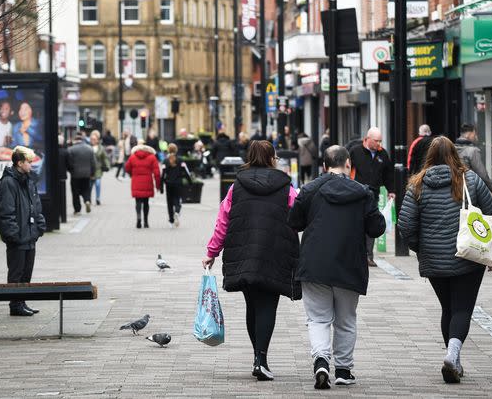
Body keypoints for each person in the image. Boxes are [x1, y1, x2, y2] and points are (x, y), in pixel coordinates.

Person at [397, 136, 492, 384]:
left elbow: (406, 225)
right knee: (463, 309)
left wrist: (420, 248)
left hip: (434, 260)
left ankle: (453, 359)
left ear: (429, 157)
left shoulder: (417, 185)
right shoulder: (471, 180)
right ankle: (453, 355)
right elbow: (491, 215)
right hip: (469, 256)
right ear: (455, 154)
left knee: (448, 308)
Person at [288, 145, 385, 389]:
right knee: (346, 320)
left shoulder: (310, 190)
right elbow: (376, 228)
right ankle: (343, 369)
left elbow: (294, 222)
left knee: (318, 319)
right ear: (349, 164)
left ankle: (321, 359)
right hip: (349, 264)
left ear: (324, 166)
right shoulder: (362, 192)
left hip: (314, 264)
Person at [202, 140, 301, 381]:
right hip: (274, 252)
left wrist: (212, 252)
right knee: (268, 305)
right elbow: (299, 215)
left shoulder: (237, 187)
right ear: (272, 157)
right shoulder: (286, 186)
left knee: (252, 305)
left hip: (243, 253)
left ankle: (258, 358)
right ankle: (261, 359)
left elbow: (223, 221)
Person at [0, 146, 46, 316]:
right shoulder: (9, 182)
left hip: (29, 235)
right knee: (16, 273)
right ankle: (15, 304)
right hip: (18, 238)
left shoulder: (28, 180)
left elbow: (36, 206)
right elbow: (7, 211)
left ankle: (22, 302)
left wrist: (39, 227)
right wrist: (14, 235)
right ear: (20, 163)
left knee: (27, 272)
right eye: (29, 162)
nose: (31, 165)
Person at [349, 127, 394, 267]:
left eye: (381, 141)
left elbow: (389, 174)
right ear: (367, 139)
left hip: (373, 194)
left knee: (371, 224)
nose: (379, 144)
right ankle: (356, 254)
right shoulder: (355, 151)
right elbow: (347, 169)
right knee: (356, 224)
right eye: (376, 141)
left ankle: (369, 256)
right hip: (356, 194)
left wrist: (391, 190)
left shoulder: (383, 154)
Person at [125, 143, 161, 228]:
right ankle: (146, 222)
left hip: (136, 181)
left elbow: (127, 168)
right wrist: (158, 185)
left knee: (138, 201)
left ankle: (138, 217)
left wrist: (132, 174)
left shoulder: (132, 157)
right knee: (146, 202)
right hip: (147, 182)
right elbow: (157, 173)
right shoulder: (152, 157)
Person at [454, 124, 492, 194]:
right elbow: (482, 175)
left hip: (454, 189)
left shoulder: (451, 149)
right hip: (469, 189)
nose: (476, 137)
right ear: (470, 134)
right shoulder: (473, 151)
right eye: (475, 134)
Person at [67, 133, 96, 215]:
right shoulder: (89, 149)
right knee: (86, 189)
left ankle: (77, 209)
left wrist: (71, 171)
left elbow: (69, 163)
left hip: (75, 175)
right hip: (87, 174)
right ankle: (87, 200)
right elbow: (93, 163)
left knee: (75, 192)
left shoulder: (71, 149)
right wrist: (92, 173)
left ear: (75, 140)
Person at [161, 150, 191, 227]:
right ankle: (177, 211)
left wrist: (161, 185)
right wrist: (190, 182)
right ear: (176, 150)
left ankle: (171, 220)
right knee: (177, 199)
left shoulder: (165, 161)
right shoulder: (180, 160)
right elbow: (186, 172)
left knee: (169, 203)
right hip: (178, 183)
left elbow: (163, 174)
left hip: (169, 184)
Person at [90, 130, 109, 206]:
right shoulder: (88, 147)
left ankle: (97, 198)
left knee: (97, 183)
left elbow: (105, 158)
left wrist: (107, 166)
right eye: (91, 139)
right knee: (90, 185)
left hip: (98, 168)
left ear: (97, 140)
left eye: (94, 139)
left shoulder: (101, 148)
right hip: (90, 169)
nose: (93, 141)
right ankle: (88, 199)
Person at [57, 134, 69, 224]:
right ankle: (63, 218)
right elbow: (69, 164)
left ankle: (57, 216)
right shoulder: (65, 152)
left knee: (57, 197)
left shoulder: (52, 151)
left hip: (54, 178)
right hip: (62, 177)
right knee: (63, 197)